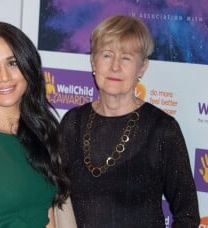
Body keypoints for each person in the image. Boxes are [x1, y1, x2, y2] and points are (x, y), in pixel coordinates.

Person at [60, 15, 200, 227]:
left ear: (142, 68)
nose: (115, 67)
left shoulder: (162, 130)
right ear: (93, 61)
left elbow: (188, 214)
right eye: (107, 55)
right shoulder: (73, 123)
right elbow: (54, 197)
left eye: (126, 58)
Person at [0, 22, 70, 228]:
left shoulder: (42, 132)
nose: (4, 77)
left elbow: (49, 210)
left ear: (28, 67)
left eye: (13, 63)